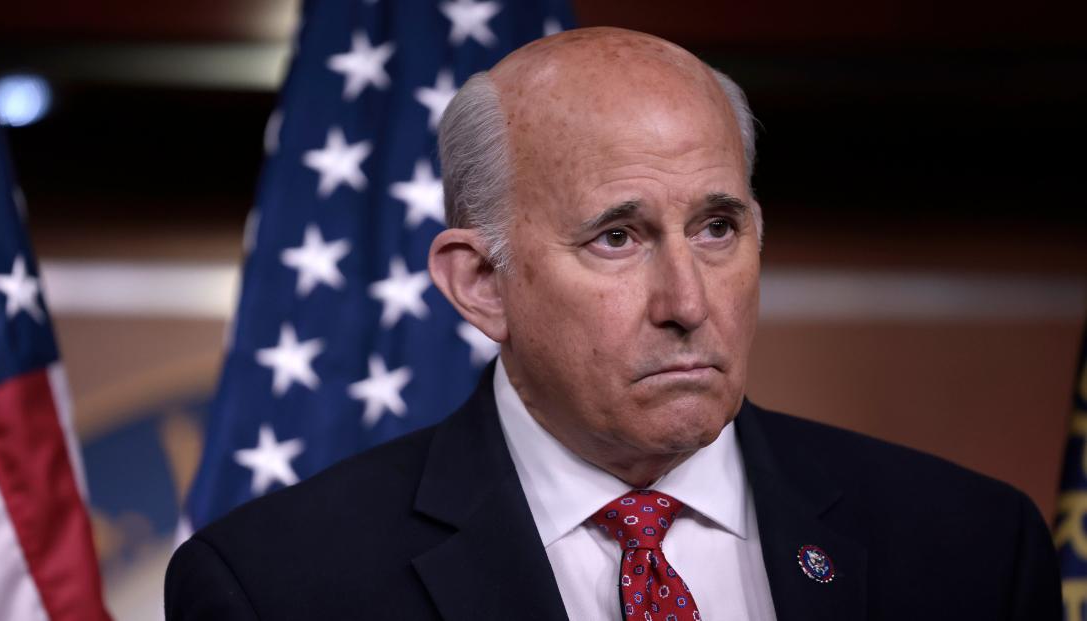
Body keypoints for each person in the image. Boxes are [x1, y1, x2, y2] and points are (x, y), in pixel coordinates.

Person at [165, 27, 1059, 620]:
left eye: (718, 228)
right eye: (617, 237)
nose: (687, 302)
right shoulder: (281, 588)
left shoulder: (973, 550)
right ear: (480, 283)